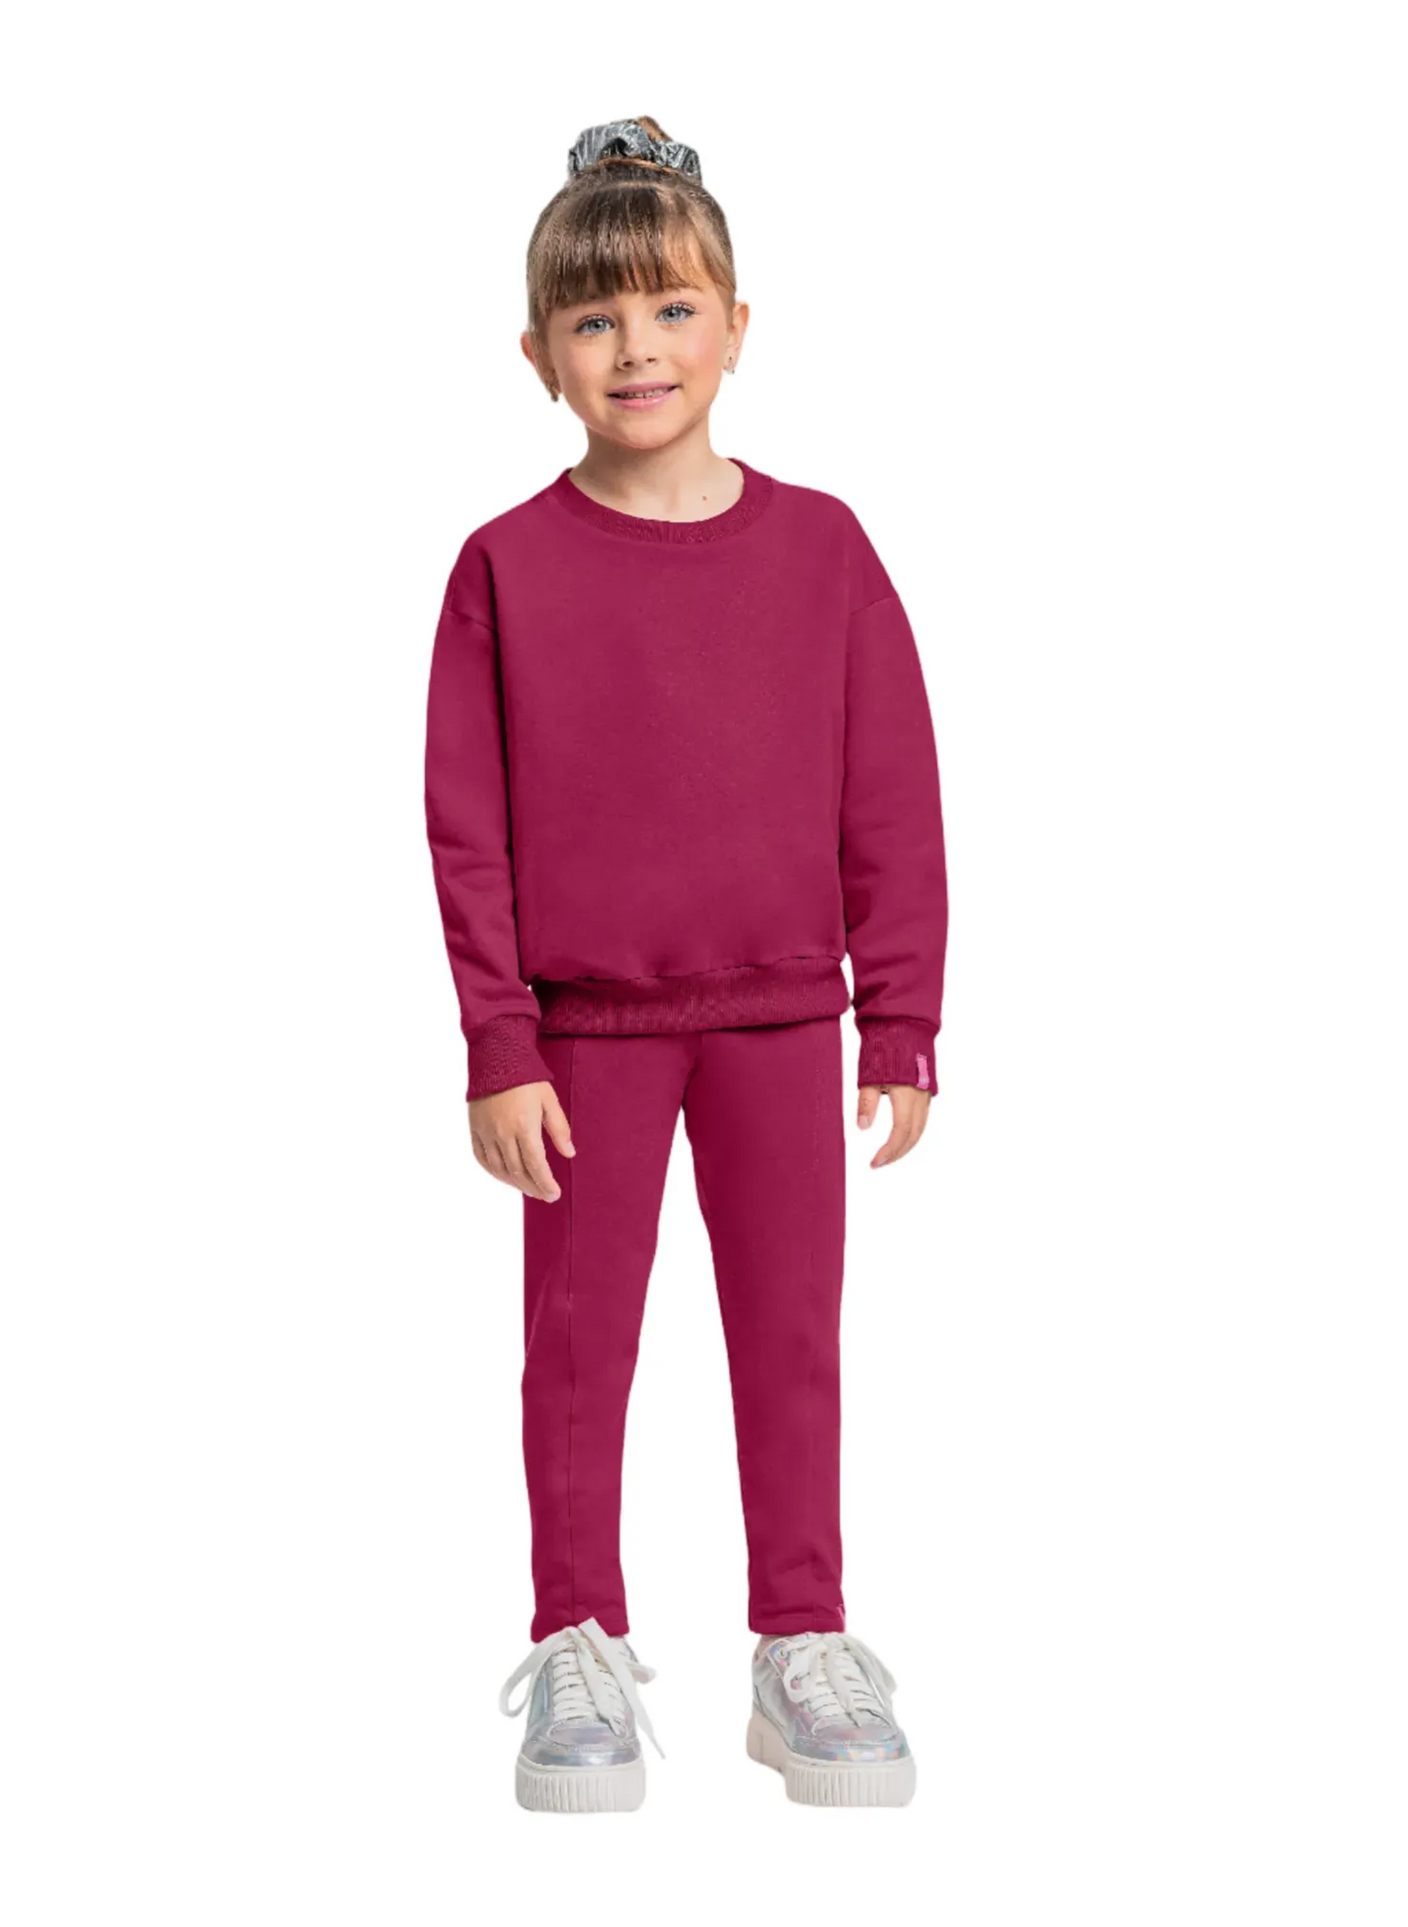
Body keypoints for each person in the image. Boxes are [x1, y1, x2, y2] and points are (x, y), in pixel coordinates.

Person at [423, 116, 948, 1812]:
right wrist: (500, 1041)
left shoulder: (827, 549)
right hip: (586, 1035)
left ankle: (802, 1641)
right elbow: (467, 827)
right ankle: (576, 1636)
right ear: (538, 354)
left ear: (736, 326)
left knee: (792, 1336)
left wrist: (903, 1015)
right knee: (579, 1349)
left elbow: (892, 794)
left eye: (669, 309)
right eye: (594, 319)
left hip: (785, 1015)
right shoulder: (503, 568)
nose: (635, 348)